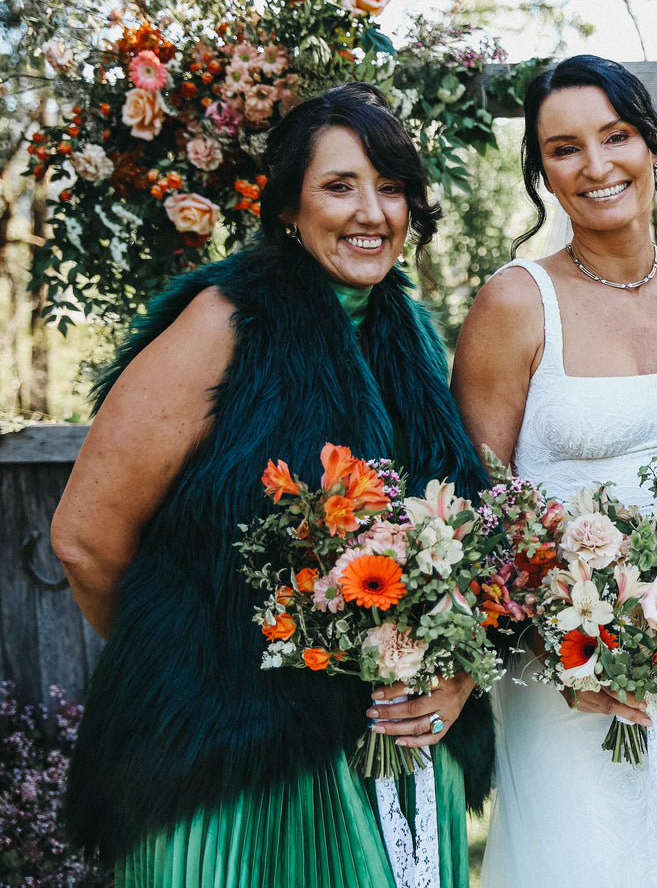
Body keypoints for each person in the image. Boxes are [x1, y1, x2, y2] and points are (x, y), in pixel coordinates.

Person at [52, 82, 492, 887]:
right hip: (234, 769)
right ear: (288, 205)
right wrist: (198, 669)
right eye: (339, 186)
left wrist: (452, 671)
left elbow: (457, 542)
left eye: (390, 187)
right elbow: (84, 539)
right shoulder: (223, 321)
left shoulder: (414, 340)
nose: (371, 212)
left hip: (391, 753)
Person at [451, 54, 657, 887]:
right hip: (570, 669)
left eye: (616, 136)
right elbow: (479, 507)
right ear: (543, 174)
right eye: (564, 149)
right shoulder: (514, 302)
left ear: (653, 146)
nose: (595, 165)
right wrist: (559, 646)